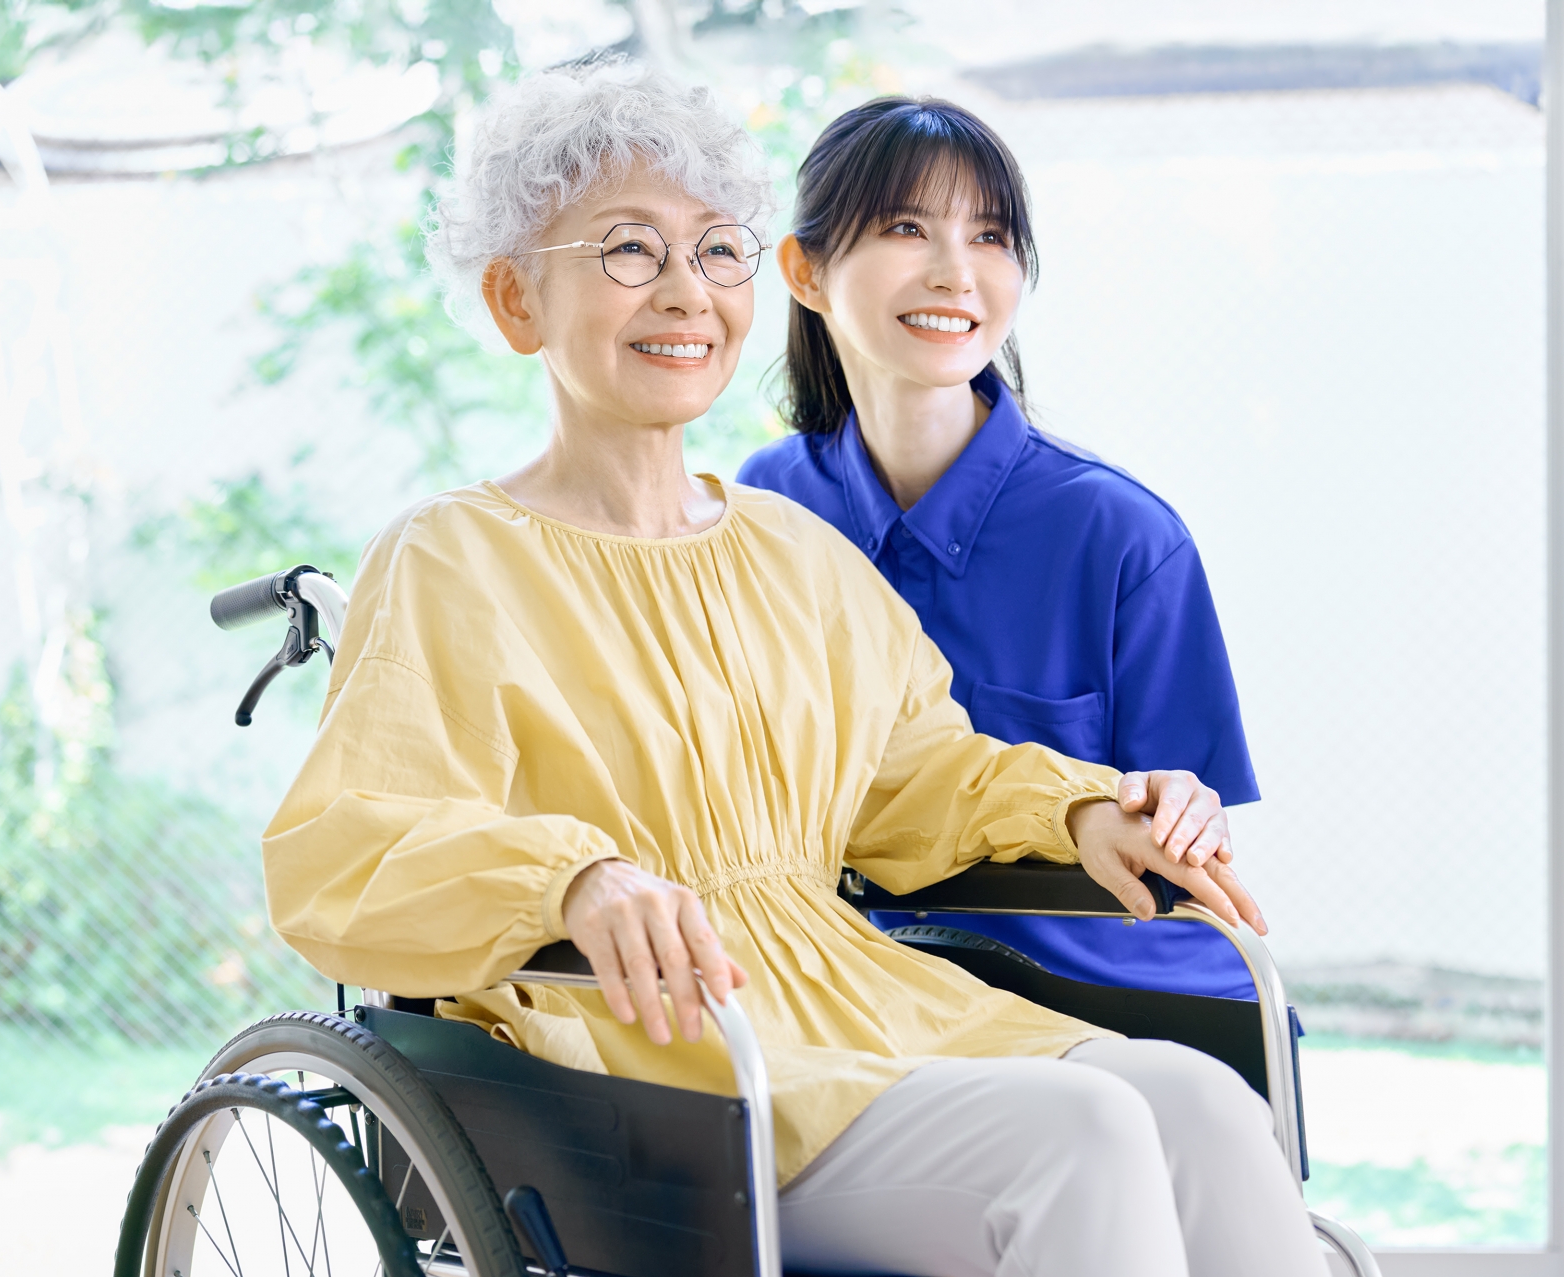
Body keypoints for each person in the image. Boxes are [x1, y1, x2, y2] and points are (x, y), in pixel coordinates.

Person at [263, 62, 1325, 1276]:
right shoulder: (452, 558)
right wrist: (576, 881)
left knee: (1202, 1105)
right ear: (516, 301)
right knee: (1080, 1132)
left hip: (853, 1000)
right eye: (627, 252)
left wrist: (1077, 805)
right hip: (655, 1053)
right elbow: (348, 844)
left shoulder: (792, 549)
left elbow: (915, 778)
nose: (686, 293)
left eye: (718, 253)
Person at [739, 96, 1262, 1000]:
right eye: (908, 227)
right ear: (806, 270)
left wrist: (1175, 806)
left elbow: (1187, 823)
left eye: (990, 237)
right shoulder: (764, 508)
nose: (957, 273)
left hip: (1113, 989)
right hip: (855, 994)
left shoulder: (1122, 534)